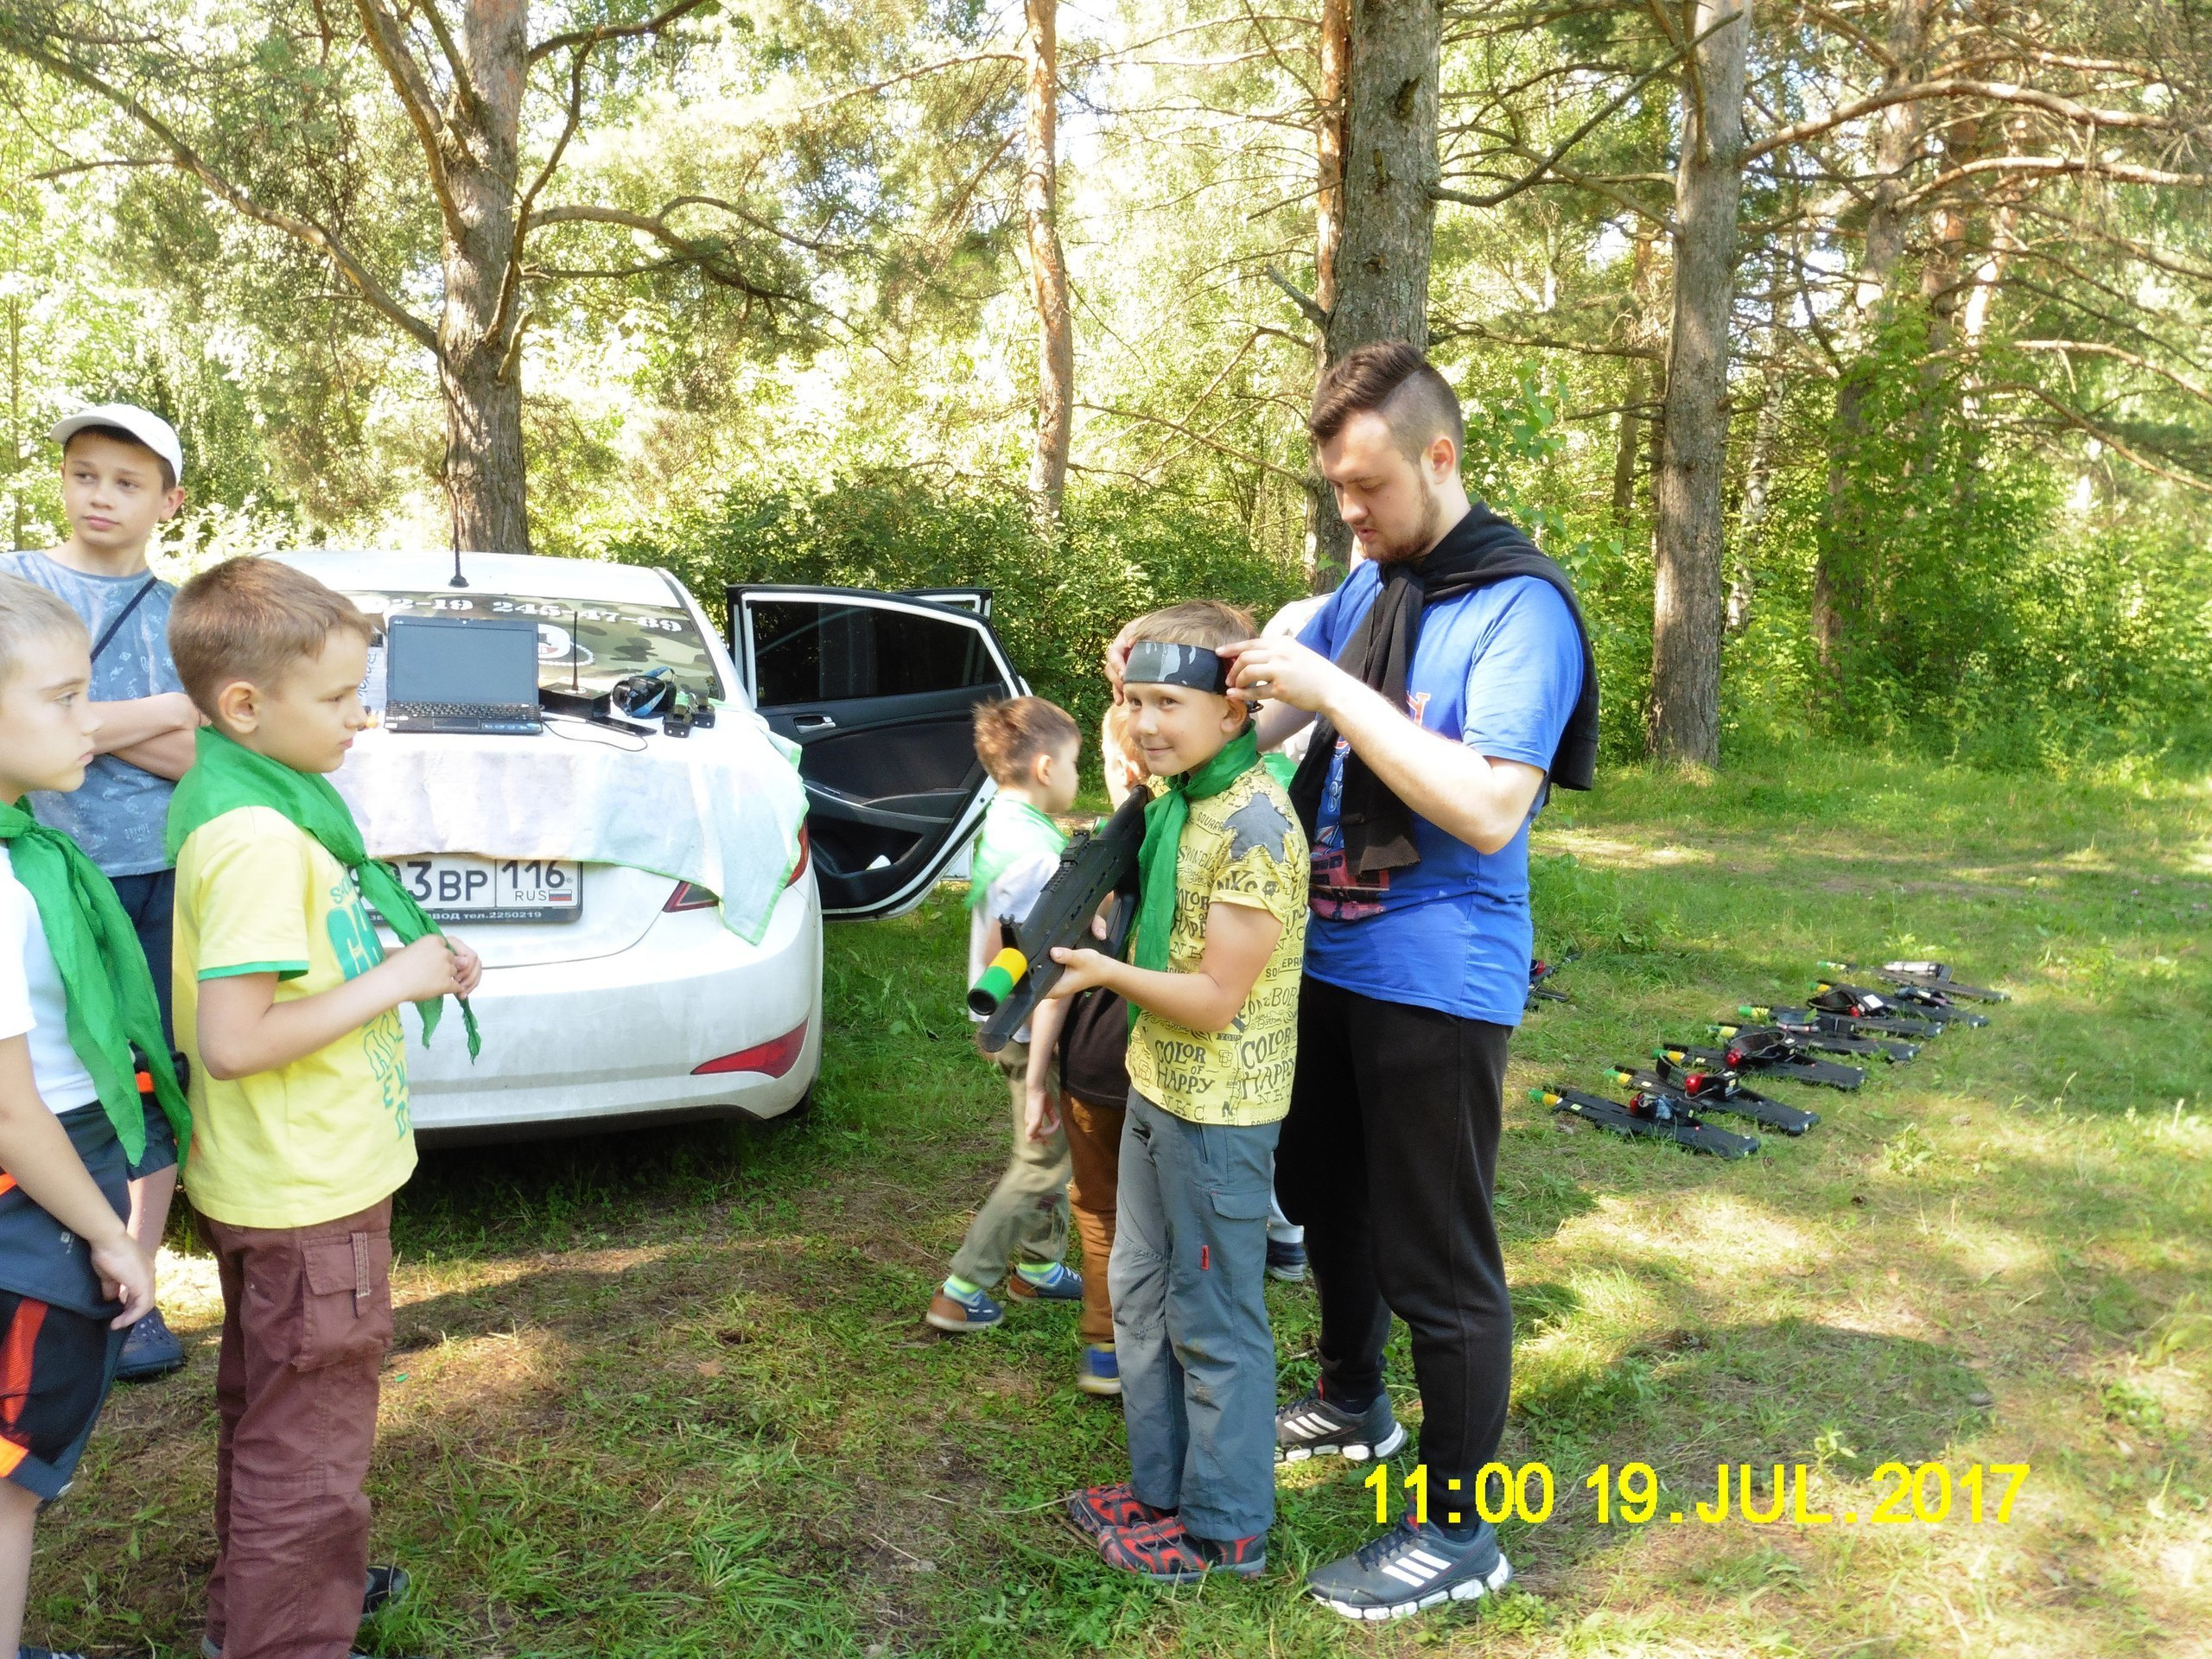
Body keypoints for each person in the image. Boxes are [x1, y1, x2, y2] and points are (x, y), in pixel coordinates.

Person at [1218, 341, 1597, 1618]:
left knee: (1444, 1260)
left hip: (1440, 974)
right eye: (1336, 491)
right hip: (1329, 952)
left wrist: (1327, 686)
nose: (1353, 514)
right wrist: (1184, 713)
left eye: (1368, 487)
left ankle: (1461, 1530)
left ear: (1440, 456)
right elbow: (1270, 715)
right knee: (1324, 1192)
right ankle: (1351, 1400)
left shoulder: (1519, 606)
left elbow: (1488, 807)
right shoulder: (1367, 584)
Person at [166, 556, 482, 1659]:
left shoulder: (258, 801)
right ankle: (285, 1637)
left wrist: (410, 962)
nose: (362, 718)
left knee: (276, 1420)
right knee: (310, 1450)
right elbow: (236, 1039)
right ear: (245, 706)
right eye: (341, 698)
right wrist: (394, 981)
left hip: (281, 1180)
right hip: (308, 1194)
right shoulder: (256, 838)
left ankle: (266, 1609)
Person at [1050, 601, 1308, 1584]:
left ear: (1235, 710)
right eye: (1133, 702)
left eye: (1169, 702)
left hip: (1218, 1113)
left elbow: (1210, 1000)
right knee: (1141, 1292)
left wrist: (1103, 973)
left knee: (1214, 1316)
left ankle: (1228, 1524)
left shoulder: (1250, 824)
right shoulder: (1178, 799)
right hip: (1156, 1088)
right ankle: (1162, 1489)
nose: (1146, 722)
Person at [0, 574, 183, 1659]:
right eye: (65, 701)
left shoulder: (33, 852)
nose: (92, 723)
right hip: (34, 1196)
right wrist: (114, 1234)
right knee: (12, 1470)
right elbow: (11, 1111)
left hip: (54, 1170)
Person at [1, 404, 202, 1382]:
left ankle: (141, 1292)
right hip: (39, 878)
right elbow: (177, 731)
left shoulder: (178, 616)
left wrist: (94, 722)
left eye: (126, 482)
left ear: (168, 501)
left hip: (153, 872)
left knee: (145, 1075)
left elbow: (205, 754)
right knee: (36, 1081)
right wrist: (161, 711)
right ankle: (52, 1271)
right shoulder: (18, 583)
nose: (101, 496)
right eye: (85, 474)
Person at [925, 696, 1087, 1338]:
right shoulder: (1037, 858)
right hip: (1029, 1031)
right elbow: (1043, 975)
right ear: (1047, 767)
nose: (1078, 777)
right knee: (1041, 1160)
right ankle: (963, 1288)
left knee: (1049, 1148)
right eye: (1075, 765)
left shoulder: (1008, 824)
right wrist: (1040, 1074)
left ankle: (1041, 1267)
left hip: (1014, 1029)